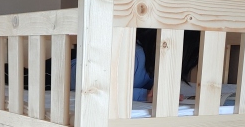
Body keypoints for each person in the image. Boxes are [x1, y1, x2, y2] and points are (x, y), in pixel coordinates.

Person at [70, 29, 200, 100]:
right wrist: (144, 95)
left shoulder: (159, 66)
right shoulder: (133, 57)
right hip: (67, 73)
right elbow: (99, 88)